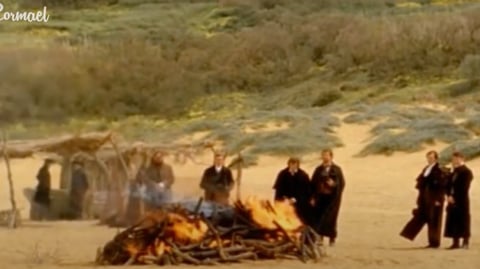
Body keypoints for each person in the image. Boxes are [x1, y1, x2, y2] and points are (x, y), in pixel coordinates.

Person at [400, 150, 448, 248]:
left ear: (436, 158)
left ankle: (434, 243)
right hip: (425, 198)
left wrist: (438, 199)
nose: (429, 160)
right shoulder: (426, 168)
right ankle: (410, 234)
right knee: (421, 217)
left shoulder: (439, 169)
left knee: (434, 221)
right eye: (428, 158)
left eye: (431, 158)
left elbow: (442, 186)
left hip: (435, 199)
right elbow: (421, 183)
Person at [310, 149, 346, 246]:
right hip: (320, 197)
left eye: (326, 155)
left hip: (332, 199)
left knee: (331, 218)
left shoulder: (336, 169)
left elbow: (342, 183)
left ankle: (332, 238)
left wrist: (334, 184)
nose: (325, 157)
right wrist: (313, 197)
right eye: (323, 155)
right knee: (320, 217)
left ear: (331, 156)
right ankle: (320, 238)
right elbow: (313, 183)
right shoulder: (318, 169)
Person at [444, 151, 474, 249]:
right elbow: (448, 185)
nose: (453, 161)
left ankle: (465, 241)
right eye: (453, 159)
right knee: (453, 219)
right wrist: (448, 195)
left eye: (455, 159)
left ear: (461, 159)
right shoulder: (454, 171)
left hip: (462, 200)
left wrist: (454, 197)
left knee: (463, 220)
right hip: (451, 199)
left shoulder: (466, 172)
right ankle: (455, 242)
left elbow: (464, 187)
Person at [273, 157, 311, 223]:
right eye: (291, 163)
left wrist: (295, 199)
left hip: (299, 202)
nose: (293, 166)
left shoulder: (303, 175)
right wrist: (284, 198)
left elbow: (306, 191)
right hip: (284, 201)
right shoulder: (282, 174)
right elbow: (278, 189)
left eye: (295, 164)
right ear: (288, 164)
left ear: (298, 165)